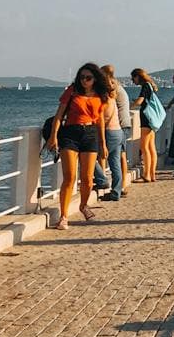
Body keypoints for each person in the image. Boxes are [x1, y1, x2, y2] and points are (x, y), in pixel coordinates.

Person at [48, 63, 111, 229]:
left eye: (88, 78)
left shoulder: (101, 95)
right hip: (70, 133)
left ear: (95, 78)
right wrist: (53, 136)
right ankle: (63, 216)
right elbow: (59, 115)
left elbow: (100, 121)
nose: (84, 81)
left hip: (90, 134)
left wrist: (103, 143)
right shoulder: (72, 91)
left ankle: (83, 205)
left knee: (88, 179)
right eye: (81, 77)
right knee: (69, 177)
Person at [99, 63, 131, 201]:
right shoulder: (115, 92)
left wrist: (102, 142)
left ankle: (101, 180)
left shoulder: (105, 99)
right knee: (115, 162)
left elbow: (101, 120)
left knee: (93, 156)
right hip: (119, 129)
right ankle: (117, 191)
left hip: (111, 130)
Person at [132, 69, 163, 183]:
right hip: (152, 121)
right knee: (151, 147)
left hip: (146, 120)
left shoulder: (145, 86)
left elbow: (140, 101)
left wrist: (130, 105)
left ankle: (147, 174)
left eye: (133, 78)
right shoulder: (150, 86)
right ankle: (152, 174)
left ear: (138, 77)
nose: (133, 80)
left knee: (144, 147)